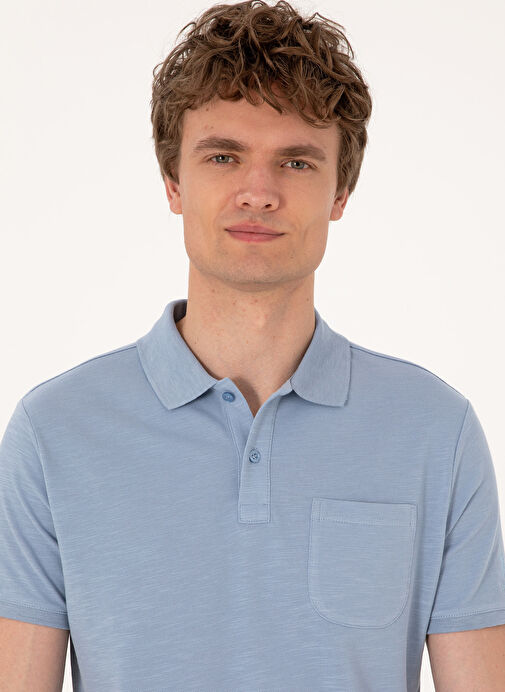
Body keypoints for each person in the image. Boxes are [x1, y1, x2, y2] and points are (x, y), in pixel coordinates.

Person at [1, 0, 505, 690]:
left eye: (296, 162)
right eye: (223, 156)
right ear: (174, 183)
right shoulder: (55, 432)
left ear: (341, 192)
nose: (258, 193)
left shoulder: (435, 432)